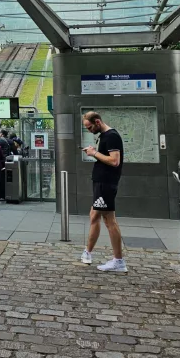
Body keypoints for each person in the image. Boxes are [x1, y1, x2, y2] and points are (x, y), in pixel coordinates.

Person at [80, 111, 127, 273]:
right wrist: (95, 152)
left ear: (98, 122)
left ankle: (118, 261)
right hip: (101, 182)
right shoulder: (105, 136)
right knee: (94, 216)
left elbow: (114, 161)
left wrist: (94, 153)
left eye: (89, 126)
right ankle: (88, 252)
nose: (88, 130)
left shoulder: (111, 136)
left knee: (109, 220)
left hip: (106, 183)